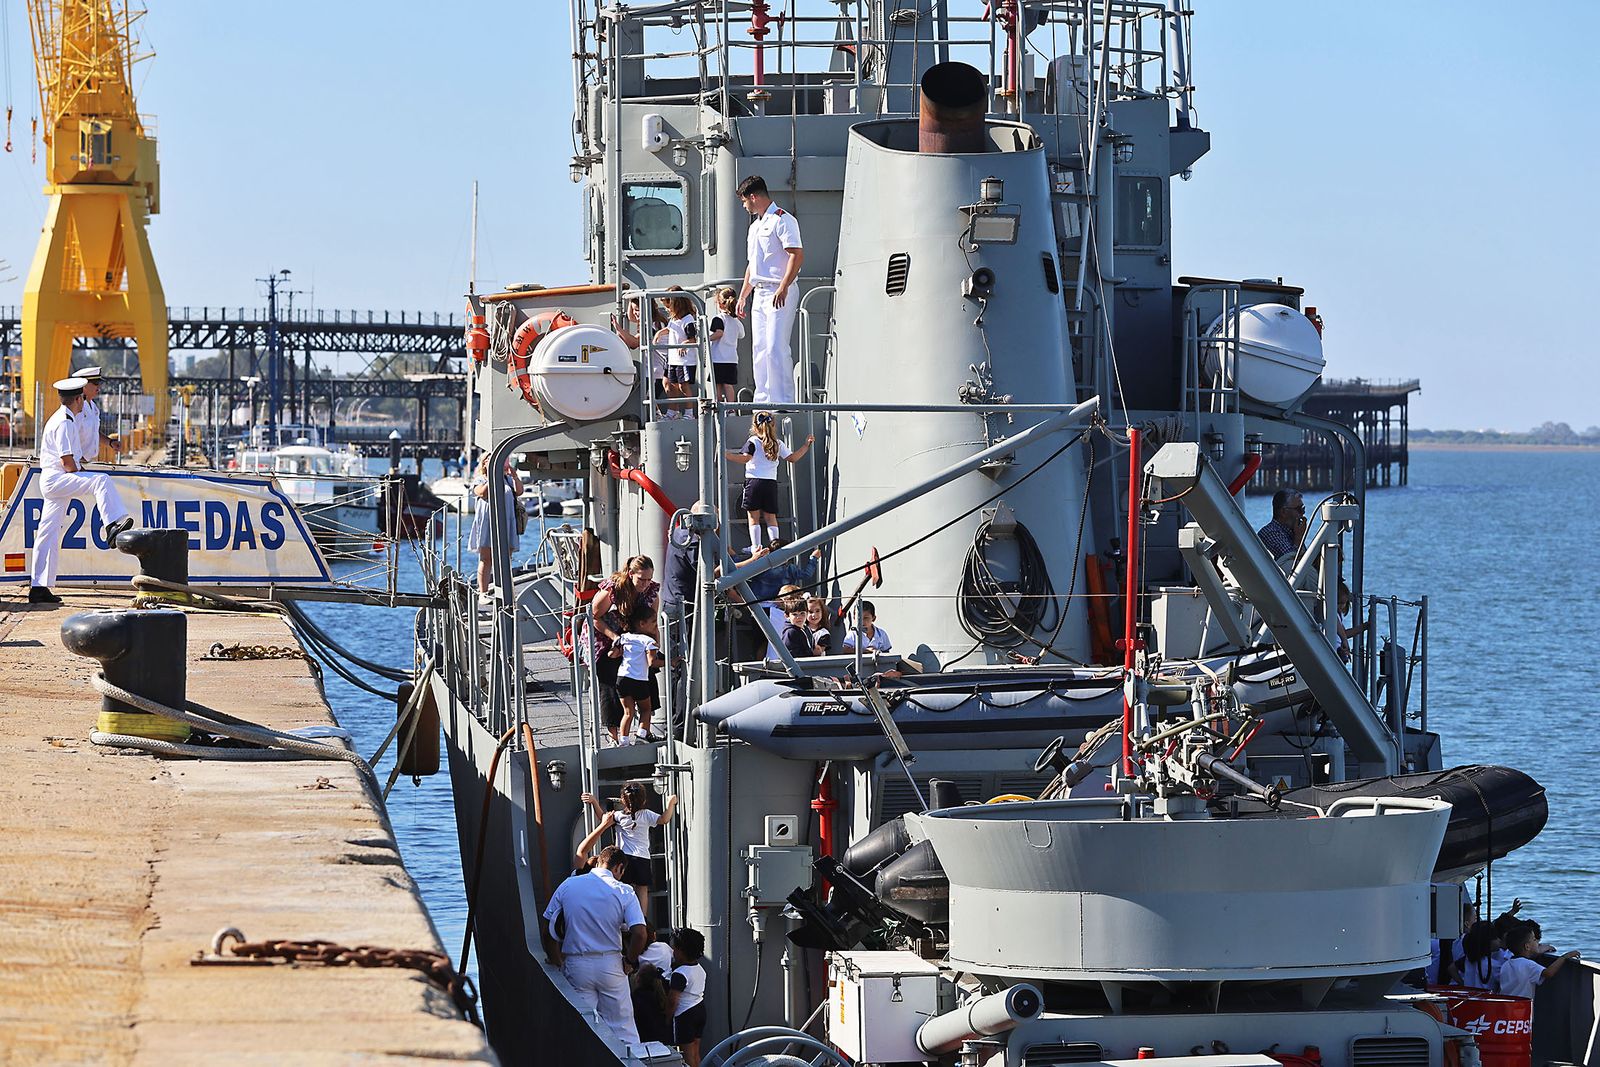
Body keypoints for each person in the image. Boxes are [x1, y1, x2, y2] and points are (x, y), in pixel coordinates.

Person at [28, 377, 134, 605]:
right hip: (58, 479)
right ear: (78, 399)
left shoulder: (65, 418)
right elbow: (68, 463)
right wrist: (83, 475)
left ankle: (38, 588)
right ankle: (112, 525)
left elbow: (73, 459)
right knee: (101, 480)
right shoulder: (65, 422)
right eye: (81, 399)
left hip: (54, 480)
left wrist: (81, 473)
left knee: (48, 534)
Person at [539, 846, 648, 1046]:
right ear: (619, 868)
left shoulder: (568, 885)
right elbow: (640, 934)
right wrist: (630, 961)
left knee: (581, 1029)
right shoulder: (624, 890)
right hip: (611, 964)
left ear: (599, 862)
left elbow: (548, 930)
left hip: (576, 964)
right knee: (623, 1030)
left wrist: (557, 961)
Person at [735, 175, 804, 405]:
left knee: (776, 347)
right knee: (760, 348)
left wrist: (784, 286)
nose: (744, 206)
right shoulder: (755, 227)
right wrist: (743, 295)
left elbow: (796, 254)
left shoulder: (782, 220)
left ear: (754, 197)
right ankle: (763, 400)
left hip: (779, 290)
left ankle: (784, 401)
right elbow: (753, 265)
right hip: (760, 293)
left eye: (745, 201)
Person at [590, 556, 660, 743]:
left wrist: (656, 645)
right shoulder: (613, 589)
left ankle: (643, 732)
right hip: (605, 640)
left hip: (634, 640)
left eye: (649, 579)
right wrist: (615, 638)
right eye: (641, 579)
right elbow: (594, 616)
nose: (645, 584)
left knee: (648, 678)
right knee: (611, 685)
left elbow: (652, 622)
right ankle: (615, 736)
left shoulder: (651, 591)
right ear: (630, 574)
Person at [586, 782, 678, 914]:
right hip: (642, 857)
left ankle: (623, 916)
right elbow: (664, 819)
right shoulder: (646, 814)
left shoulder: (618, 815)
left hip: (623, 858)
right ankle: (642, 919)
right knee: (642, 890)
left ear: (623, 800)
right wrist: (671, 802)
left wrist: (594, 801)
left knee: (622, 888)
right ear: (643, 800)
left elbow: (602, 818)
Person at [725, 411, 813, 549]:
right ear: (773, 425)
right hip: (770, 484)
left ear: (755, 426)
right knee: (771, 518)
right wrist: (806, 445)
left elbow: (745, 458)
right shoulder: (777, 443)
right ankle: (775, 548)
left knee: (753, 518)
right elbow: (793, 458)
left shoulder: (753, 441)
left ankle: (756, 548)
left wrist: (727, 455)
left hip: (754, 483)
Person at [468, 454, 522, 594]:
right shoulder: (481, 480)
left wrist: (514, 476)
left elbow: (519, 491)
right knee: (486, 559)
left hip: (507, 521)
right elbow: (482, 492)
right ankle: (483, 592)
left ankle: (506, 591)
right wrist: (493, 474)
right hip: (488, 522)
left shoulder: (507, 479)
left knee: (505, 559)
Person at [1498, 920, 1579, 1001]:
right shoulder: (1528, 964)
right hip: (1521, 1006)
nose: (1537, 941)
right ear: (1527, 946)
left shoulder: (1506, 964)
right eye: (1534, 939)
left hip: (1506, 1005)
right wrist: (1564, 957)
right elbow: (1548, 973)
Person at [614, 621, 665, 744]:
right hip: (639, 680)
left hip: (622, 678)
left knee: (628, 712)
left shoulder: (624, 637)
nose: (655, 626)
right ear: (642, 623)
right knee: (646, 709)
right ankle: (641, 736)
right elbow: (652, 662)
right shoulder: (648, 641)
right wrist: (669, 662)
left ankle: (624, 742)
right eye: (653, 623)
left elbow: (612, 654)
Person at [667, 927, 708, 1067]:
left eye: (675, 949)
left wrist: (667, 1018)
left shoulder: (679, 973)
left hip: (685, 1015)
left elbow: (673, 1000)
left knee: (686, 1055)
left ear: (682, 951)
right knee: (696, 1052)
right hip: (700, 1010)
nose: (673, 952)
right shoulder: (700, 969)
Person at [661, 287, 699, 419]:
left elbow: (692, 338)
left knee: (684, 386)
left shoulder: (688, 320)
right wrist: (659, 334)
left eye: (668, 304)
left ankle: (689, 412)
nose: (667, 308)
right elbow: (670, 329)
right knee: (672, 386)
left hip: (684, 360)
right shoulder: (674, 319)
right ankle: (672, 412)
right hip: (673, 359)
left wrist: (684, 344)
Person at [73, 366, 120, 462]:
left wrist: (110, 442)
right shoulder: (77, 408)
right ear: (83, 385)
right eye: (95, 383)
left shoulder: (93, 407)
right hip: (77, 461)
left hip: (89, 461)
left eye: (99, 383)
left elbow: (94, 432)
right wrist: (79, 461)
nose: (98, 387)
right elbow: (71, 437)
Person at [707, 286, 743, 403]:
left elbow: (719, 333)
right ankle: (731, 408)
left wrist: (706, 339)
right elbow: (741, 334)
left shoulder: (718, 319)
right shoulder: (735, 320)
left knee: (717, 385)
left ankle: (718, 407)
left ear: (720, 303)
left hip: (718, 358)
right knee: (728, 385)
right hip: (731, 358)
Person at [1256, 489, 1306, 565]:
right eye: (1299, 509)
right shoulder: (1270, 533)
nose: (1302, 513)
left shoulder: (1292, 532)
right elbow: (1291, 565)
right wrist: (1298, 538)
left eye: (1303, 508)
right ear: (1283, 512)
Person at [779, 595, 815, 661]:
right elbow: (790, 655)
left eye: (802, 613)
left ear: (807, 613)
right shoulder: (790, 632)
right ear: (787, 615)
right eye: (794, 614)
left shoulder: (806, 628)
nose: (799, 617)